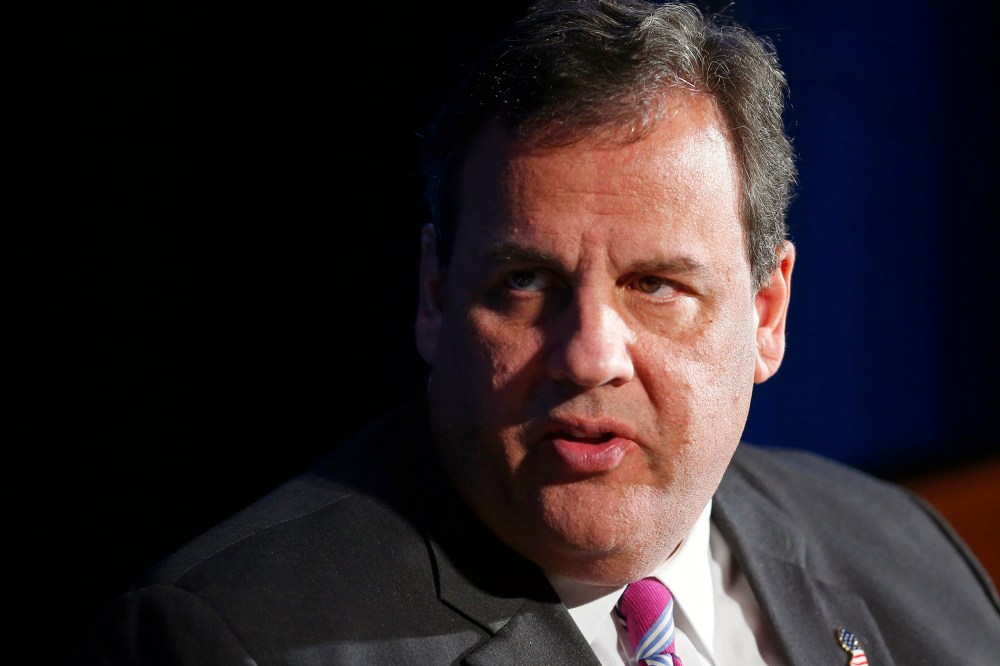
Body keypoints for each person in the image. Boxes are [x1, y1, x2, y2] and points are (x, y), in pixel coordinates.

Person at [76, 0, 1000, 663]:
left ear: (767, 314)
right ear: (436, 295)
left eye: (657, 286)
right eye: (525, 282)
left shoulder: (911, 555)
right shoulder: (230, 638)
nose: (591, 353)